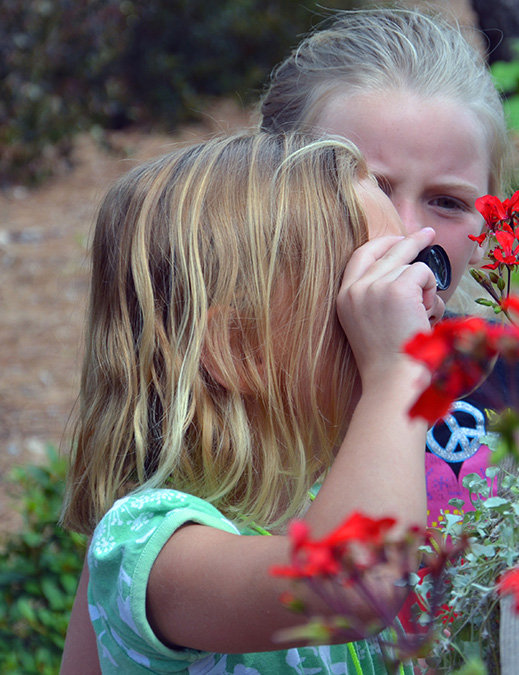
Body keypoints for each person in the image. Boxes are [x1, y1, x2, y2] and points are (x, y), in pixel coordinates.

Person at [59, 132, 444, 673]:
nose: (418, 300)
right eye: (370, 285)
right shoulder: (151, 546)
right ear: (240, 349)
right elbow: (349, 582)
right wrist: (395, 369)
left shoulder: (319, 498)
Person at [259, 7, 515, 530]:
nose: (403, 232)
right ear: (264, 188)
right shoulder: (219, 377)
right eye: (369, 186)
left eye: (447, 202)